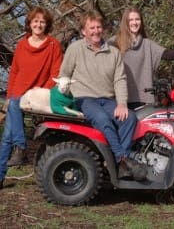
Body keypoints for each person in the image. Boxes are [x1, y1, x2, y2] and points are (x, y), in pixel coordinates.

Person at [59, 10, 146, 181]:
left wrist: (122, 104)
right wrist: (63, 96)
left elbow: (120, 80)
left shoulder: (113, 53)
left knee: (130, 119)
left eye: (98, 27)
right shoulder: (75, 49)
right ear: (84, 31)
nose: (96, 31)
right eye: (91, 28)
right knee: (102, 119)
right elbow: (64, 75)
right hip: (83, 99)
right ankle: (122, 159)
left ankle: (118, 163)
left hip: (107, 99)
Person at [0, 7, 63, 191]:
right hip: (18, 95)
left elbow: (55, 74)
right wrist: (8, 97)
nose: (38, 24)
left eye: (42, 22)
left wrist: (40, 92)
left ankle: (19, 151)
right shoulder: (22, 45)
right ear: (30, 23)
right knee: (7, 133)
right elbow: (14, 72)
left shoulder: (53, 45)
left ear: (47, 25)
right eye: (35, 21)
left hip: (39, 94)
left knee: (11, 122)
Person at [109, 6, 174, 109]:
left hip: (143, 99)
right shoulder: (114, 42)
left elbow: (167, 54)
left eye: (137, 19)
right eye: (131, 20)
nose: (135, 22)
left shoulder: (147, 44)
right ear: (125, 22)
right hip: (121, 99)